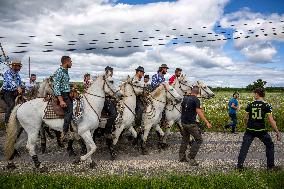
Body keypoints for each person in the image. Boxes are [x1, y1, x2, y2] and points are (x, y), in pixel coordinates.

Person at [237, 88, 281, 171]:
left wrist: (246, 125)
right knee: (270, 145)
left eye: (254, 94)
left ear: (257, 94)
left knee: (244, 147)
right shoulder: (267, 105)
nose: (253, 95)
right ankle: (270, 166)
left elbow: (245, 118)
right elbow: (271, 120)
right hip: (261, 130)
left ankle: (239, 166)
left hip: (250, 129)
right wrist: (277, 132)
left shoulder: (250, 104)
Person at [179, 86, 212, 166]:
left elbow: (182, 109)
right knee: (199, 140)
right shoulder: (196, 100)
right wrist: (207, 122)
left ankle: (182, 157)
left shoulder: (185, 98)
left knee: (185, 139)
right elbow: (199, 112)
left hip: (183, 122)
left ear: (191, 91)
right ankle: (191, 158)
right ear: (198, 92)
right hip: (191, 124)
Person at [53, 56, 73, 140]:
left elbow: (64, 84)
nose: (71, 63)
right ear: (66, 62)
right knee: (69, 111)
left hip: (67, 94)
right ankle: (64, 132)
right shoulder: (59, 71)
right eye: (70, 61)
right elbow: (56, 86)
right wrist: (61, 100)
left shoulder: (65, 71)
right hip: (62, 95)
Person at [102, 66, 118, 160]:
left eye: (112, 71)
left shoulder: (110, 79)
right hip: (106, 99)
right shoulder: (105, 79)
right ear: (107, 71)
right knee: (113, 114)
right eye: (110, 71)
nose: (111, 72)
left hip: (111, 99)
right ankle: (107, 131)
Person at [2, 60, 23, 124]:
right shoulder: (7, 73)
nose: (20, 68)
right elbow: (10, 82)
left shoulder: (17, 74)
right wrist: (17, 87)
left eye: (20, 66)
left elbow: (19, 83)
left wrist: (22, 87)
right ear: (14, 66)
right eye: (19, 66)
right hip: (7, 92)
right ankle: (7, 122)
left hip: (15, 92)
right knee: (11, 105)